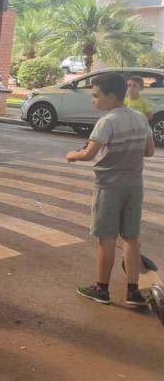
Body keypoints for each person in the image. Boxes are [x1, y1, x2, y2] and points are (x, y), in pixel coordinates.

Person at [67, 73, 154, 306]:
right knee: (131, 238)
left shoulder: (107, 122)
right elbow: (149, 151)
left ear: (112, 96)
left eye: (96, 96)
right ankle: (133, 292)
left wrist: (73, 155)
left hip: (109, 187)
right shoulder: (140, 118)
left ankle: (101, 289)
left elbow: (89, 154)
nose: (93, 100)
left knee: (106, 239)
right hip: (134, 186)